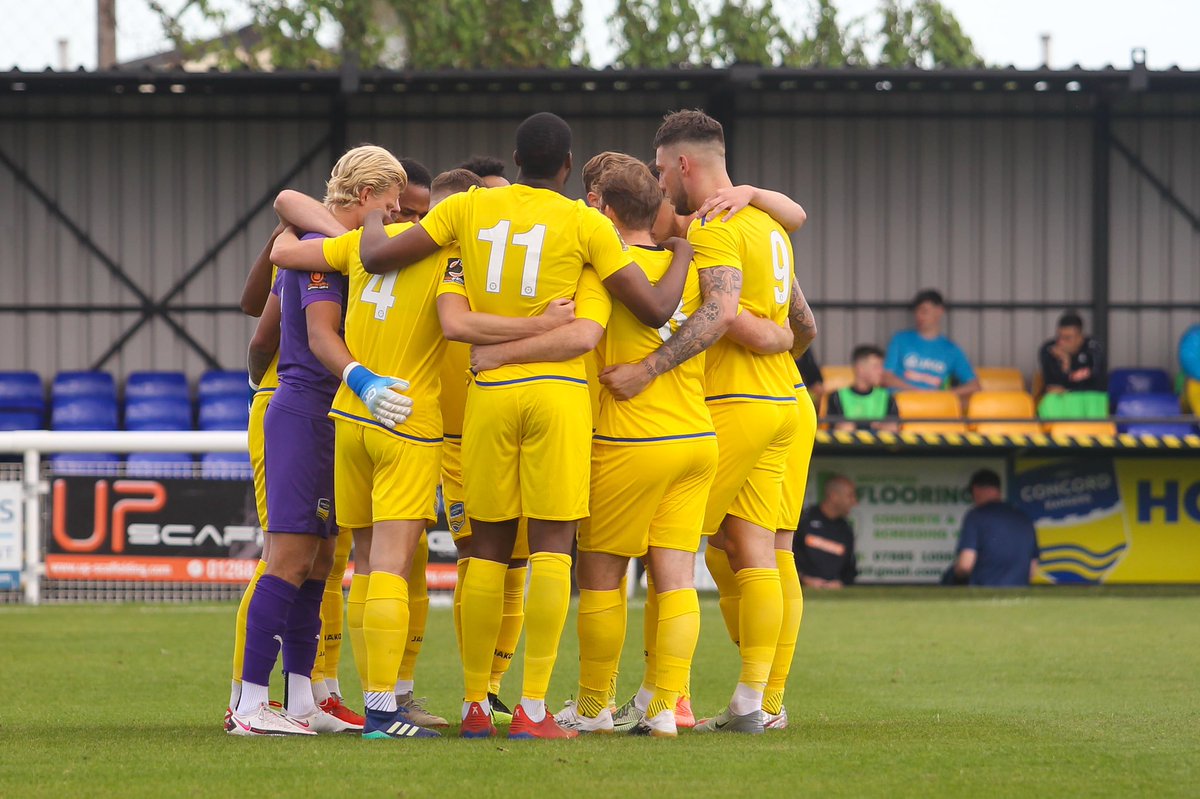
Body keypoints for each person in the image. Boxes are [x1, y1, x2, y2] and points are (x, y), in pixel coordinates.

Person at [359, 112, 693, 740]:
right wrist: (681, 249)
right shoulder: (585, 223)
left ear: (513, 160)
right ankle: (535, 709)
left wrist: (373, 209)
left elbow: (377, 257)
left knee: (484, 552)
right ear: (568, 168)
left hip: (487, 393)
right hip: (559, 396)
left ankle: (476, 705)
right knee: (549, 549)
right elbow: (654, 311)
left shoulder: (468, 212)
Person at [601, 109, 816, 735]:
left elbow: (721, 313)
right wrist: (780, 340)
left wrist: (650, 368)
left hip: (735, 403)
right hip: (784, 402)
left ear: (683, 164)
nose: (661, 182)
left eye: (663, 169)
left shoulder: (715, 226)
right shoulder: (767, 221)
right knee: (763, 550)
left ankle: (662, 698)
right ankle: (760, 701)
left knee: (669, 548)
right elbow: (802, 322)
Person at [228, 145, 406, 737]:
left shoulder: (317, 249)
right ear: (364, 199)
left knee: (321, 562)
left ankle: (301, 695)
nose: (396, 213)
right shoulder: (324, 257)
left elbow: (264, 325)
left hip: (327, 417)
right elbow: (314, 333)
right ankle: (250, 704)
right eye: (389, 203)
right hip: (305, 409)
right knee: (288, 558)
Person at [884, 289, 980, 398]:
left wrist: (941, 395)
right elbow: (887, 377)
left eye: (925, 311)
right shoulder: (900, 340)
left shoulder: (951, 349)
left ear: (939, 311)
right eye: (917, 311)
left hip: (934, 407)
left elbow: (974, 386)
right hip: (900, 404)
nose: (920, 316)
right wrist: (917, 392)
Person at [953, 469, 1040, 587]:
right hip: (1020, 596)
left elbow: (965, 565)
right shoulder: (1024, 518)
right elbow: (1032, 570)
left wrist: (954, 574)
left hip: (985, 595)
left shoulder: (976, 516)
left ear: (976, 490)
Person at [794, 476, 858, 590]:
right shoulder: (804, 520)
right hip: (802, 588)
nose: (854, 501)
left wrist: (840, 583)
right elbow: (785, 554)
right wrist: (803, 579)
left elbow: (850, 569)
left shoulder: (845, 528)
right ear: (834, 496)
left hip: (834, 593)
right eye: (850, 496)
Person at [827, 345, 900, 432]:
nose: (881, 371)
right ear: (860, 368)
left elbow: (892, 428)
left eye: (881, 366)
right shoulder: (837, 397)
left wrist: (855, 426)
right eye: (876, 366)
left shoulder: (887, 397)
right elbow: (840, 429)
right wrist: (876, 426)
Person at [1039, 311, 1106, 393]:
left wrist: (1069, 390)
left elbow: (1098, 385)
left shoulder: (1093, 349)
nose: (1061, 342)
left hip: (1087, 400)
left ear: (1080, 337)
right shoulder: (1048, 350)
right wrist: (1065, 363)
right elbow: (1052, 386)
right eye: (1059, 336)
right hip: (1060, 402)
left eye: (1067, 338)